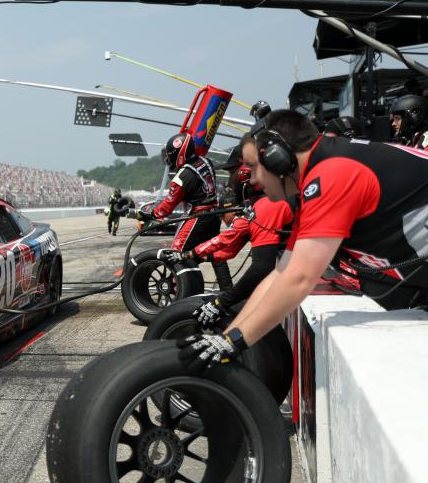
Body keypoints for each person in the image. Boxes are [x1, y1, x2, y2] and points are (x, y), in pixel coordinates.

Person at [178, 109, 428, 373]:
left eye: (252, 167)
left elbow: (300, 279)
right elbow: (282, 273)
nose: (251, 180)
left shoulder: (332, 175)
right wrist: (226, 337)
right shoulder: (319, 175)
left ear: (277, 159)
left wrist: (233, 343)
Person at [162, 140, 294, 328]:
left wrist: (222, 302)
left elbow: (260, 267)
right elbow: (229, 246)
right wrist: (193, 255)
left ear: (245, 174)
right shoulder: (257, 206)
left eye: (232, 173)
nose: (230, 180)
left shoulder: (267, 206)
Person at [140, 132, 233, 290]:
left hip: (200, 215)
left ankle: (179, 290)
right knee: (215, 252)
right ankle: (227, 290)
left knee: (177, 250)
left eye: (172, 155)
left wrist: (150, 213)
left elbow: (167, 207)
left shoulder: (182, 176)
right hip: (214, 213)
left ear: (180, 154)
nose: (170, 160)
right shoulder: (206, 161)